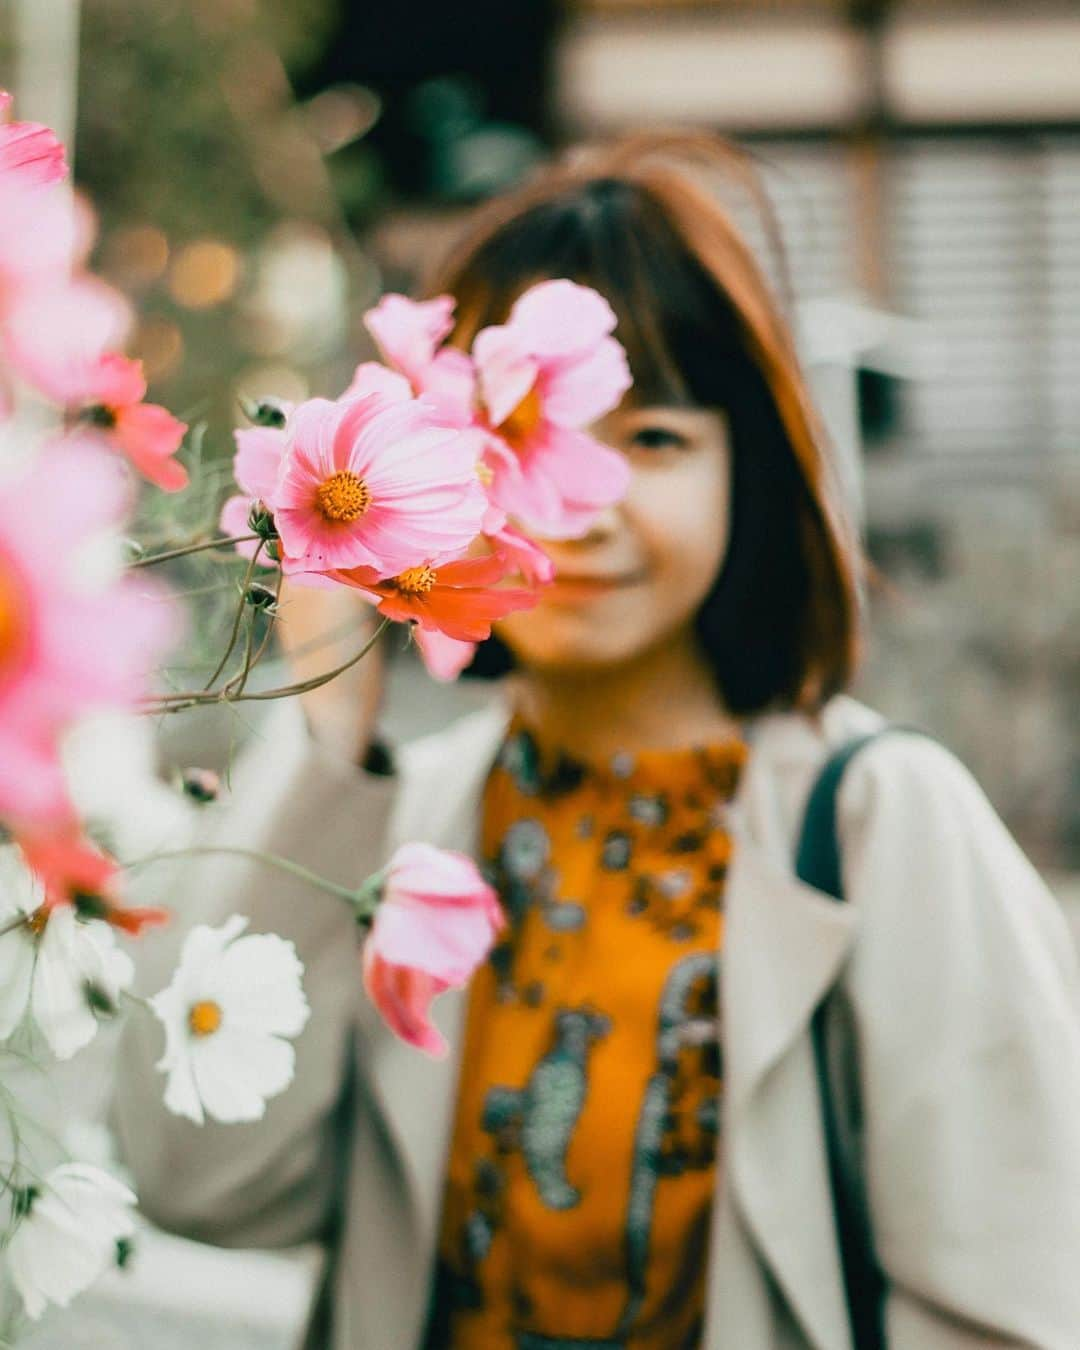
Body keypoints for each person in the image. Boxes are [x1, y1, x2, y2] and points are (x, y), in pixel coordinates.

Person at [110, 133, 1080, 1350]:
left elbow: (1012, 1303)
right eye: (516, 439)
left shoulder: (884, 824)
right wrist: (325, 732)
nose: (584, 501)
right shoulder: (391, 822)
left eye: (657, 441)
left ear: (754, 477)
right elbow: (198, 1182)